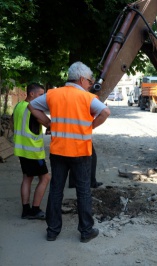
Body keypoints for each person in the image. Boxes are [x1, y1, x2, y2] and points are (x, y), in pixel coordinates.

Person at [28, 62, 110, 242]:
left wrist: (48, 124)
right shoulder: (87, 97)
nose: (90, 84)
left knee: (56, 190)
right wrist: (89, 128)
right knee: (83, 191)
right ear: (81, 79)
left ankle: (52, 231)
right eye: (89, 81)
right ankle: (86, 231)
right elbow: (105, 112)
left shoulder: (53, 94)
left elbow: (32, 107)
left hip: (58, 151)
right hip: (81, 152)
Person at [12, 83, 51, 220]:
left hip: (21, 150)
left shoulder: (18, 106)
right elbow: (49, 123)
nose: (43, 98)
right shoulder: (33, 109)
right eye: (41, 95)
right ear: (32, 94)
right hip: (33, 151)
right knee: (45, 177)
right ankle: (35, 210)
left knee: (27, 178)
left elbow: (16, 124)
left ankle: (26, 210)